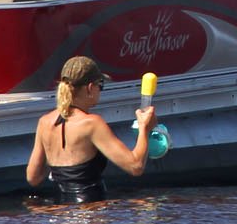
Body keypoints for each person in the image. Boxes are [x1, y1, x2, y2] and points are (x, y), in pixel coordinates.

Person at [24, 56, 155, 202]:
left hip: (60, 213)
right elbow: (135, 166)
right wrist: (144, 128)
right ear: (90, 88)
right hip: (90, 211)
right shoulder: (92, 124)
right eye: (101, 85)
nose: (100, 90)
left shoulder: (44, 122)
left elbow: (33, 177)